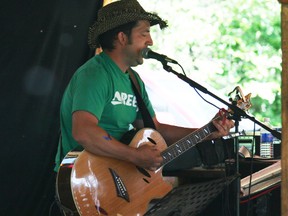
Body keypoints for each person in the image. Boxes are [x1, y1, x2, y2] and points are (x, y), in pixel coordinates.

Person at [54, 0, 234, 173]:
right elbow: (84, 131)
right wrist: (133, 155)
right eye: (144, 33)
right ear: (122, 38)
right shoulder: (95, 74)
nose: (150, 41)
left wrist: (206, 132)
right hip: (86, 178)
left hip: (118, 177)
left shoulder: (134, 80)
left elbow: (156, 129)